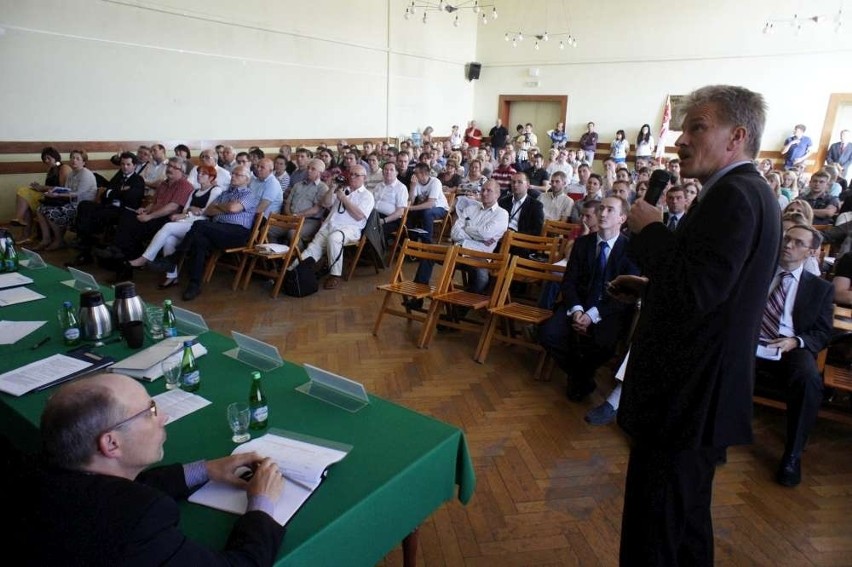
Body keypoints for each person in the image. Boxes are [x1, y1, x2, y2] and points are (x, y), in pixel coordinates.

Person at [611, 85, 779, 566]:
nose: (681, 140)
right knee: (684, 525)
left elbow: (697, 293)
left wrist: (652, 231)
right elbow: (716, 291)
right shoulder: (746, 192)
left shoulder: (734, 196)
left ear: (737, 137)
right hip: (700, 391)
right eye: (682, 128)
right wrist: (646, 286)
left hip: (686, 394)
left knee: (655, 531)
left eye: (697, 127)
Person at [20, 372, 284, 565]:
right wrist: (261, 504)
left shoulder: (39, 470)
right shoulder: (138, 520)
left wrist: (206, 470)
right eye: (150, 411)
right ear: (111, 443)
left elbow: (124, 487)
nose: (163, 417)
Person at [539, 196, 639, 401]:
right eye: (601, 208)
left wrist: (592, 315)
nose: (602, 213)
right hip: (577, 304)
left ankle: (578, 377)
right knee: (548, 334)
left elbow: (627, 293)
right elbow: (569, 282)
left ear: (622, 218)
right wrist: (577, 310)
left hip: (608, 310)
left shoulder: (631, 250)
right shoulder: (583, 244)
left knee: (605, 344)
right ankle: (582, 376)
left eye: (610, 210)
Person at [755, 225, 833, 487]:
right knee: (721, 358)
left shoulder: (819, 288)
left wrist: (795, 341)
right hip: (752, 340)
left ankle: (792, 454)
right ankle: (716, 437)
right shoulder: (758, 271)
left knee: (809, 379)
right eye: (787, 239)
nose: (788, 245)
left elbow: (822, 332)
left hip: (790, 344)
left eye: (798, 243)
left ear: (811, 252)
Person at [126, 164, 224, 288]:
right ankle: (172, 277)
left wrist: (191, 211)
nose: (199, 175)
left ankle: (145, 258)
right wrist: (191, 211)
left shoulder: (215, 190)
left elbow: (206, 211)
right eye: (199, 173)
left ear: (211, 177)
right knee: (169, 240)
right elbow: (186, 209)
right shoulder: (195, 191)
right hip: (188, 221)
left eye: (203, 174)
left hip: (201, 224)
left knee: (168, 226)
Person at [300, 164, 375, 290]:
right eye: (350, 174)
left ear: (364, 178)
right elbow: (325, 203)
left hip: (350, 229)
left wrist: (344, 199)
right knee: (312, 249)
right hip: (329, 225)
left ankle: (335, 274)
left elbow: (359, 216)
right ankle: (293, 270)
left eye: (356, 175)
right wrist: (333, 187)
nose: (352, 177)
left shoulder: (367, 195)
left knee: (334, 238)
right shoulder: (342, 188)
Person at [33, 149, 98, 251]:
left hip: (81, 207)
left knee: (50, 212)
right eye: (72, 158)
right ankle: (46, 239)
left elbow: (76, 194)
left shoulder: (86, 174)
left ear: (84, 162)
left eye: (77, 158)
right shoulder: (72, 174)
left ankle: (59, 241)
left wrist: (57, 195)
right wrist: (54, 193)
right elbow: (66, 190)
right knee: (40, 209)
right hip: (69, 203)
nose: (74, 160)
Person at [11, 146, 72, 242]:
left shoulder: (63, 167)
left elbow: (63, 189)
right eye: (44, 159)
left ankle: (20, 221)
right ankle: (24, 232)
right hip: (48, 195)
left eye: (48, 158)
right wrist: (38, 187)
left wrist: (43, 188)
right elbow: (49, 187)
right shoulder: (51, 169)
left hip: (59, 198)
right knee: (24, 193)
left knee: (24, 193)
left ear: (55, 157)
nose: (46, 161)